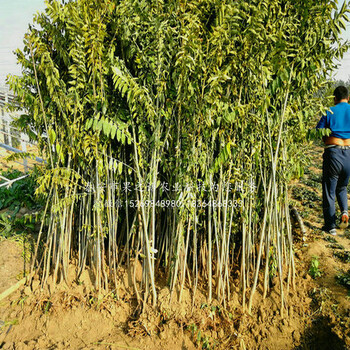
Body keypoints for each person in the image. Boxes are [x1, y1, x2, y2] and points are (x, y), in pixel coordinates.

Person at [316, 85, 350, 236]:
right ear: (347, 98)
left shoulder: (329, 111)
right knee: (342, 187)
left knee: (329, 191)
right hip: (349, 153)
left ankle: (331, 226)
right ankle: (345, 212)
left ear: (335, 98)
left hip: (333, 153)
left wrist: (327, 137)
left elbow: (319, 131)